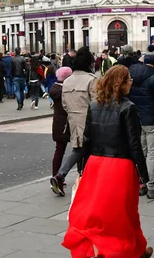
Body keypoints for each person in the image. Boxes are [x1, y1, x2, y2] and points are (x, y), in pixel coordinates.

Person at [62, 65, 153, 258]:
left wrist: (83, 168)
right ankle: (119, 249)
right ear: (121, 84)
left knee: (96, 212)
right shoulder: (128, 108)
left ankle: (128, 248)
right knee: (123, 212)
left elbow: (86, 139)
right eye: (129, 80)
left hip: (95, 163)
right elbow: (134, 144)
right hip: (120, 165)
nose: (131, 83)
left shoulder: (94, 105)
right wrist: (144, 175)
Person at [50, 46, 97, 196]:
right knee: (91, 152)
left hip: (73, 121)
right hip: (89, 121)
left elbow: (64, 103)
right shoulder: (92, 80)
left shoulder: (68, 82)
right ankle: (86, 181)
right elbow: (97, 104)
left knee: (78, 150)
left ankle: (60, 175)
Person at [129, 53, 154, 199]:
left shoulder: (132, 75)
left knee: (142, 152)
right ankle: (153, 187)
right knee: (153, 154)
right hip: (153, 120)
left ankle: (141, 183)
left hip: (138, 119)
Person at [50, 66, 72, 177]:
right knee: (78, 150)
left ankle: (55, 175)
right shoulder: (68, 90)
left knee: (59, 150)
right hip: (70, 122)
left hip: (59, 123)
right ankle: (80, 174)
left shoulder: (54, 89)